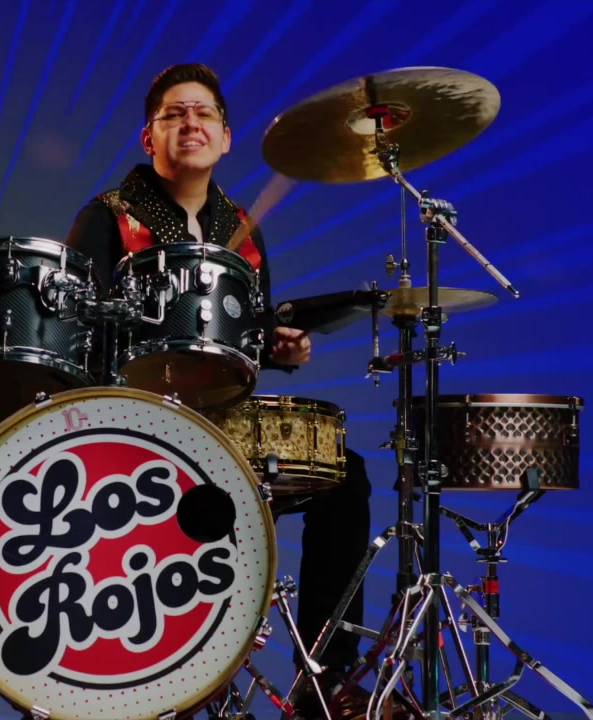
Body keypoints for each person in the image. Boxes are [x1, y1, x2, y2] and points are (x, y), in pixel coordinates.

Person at [64, 63, 385, 720]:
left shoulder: (241, 226)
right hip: (135, 430)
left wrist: (280, 348)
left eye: (204, 113)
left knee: (343, 476)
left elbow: (246, 335)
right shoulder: (107, 219)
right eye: (174, 114)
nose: (191, 124)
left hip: (223, 426)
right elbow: (75, 334)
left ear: (226, 137)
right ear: (148, 138)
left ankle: (325, 675)